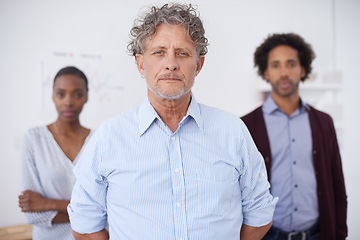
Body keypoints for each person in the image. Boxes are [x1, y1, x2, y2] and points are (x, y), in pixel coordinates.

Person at [67, 3, 277, 240]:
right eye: (159, 52)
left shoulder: (233, 132)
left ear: (198, 65)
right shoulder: (108, 138)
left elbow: (259, 213)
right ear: (140, 63)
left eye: (183, 53)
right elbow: (84, 225)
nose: (171, 64)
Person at [241, 33, 347, 240]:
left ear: (303, 69)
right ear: (265, 72)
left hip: (318, 234)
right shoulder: (246, 126)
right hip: (268, 236)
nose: (284, 73)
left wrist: (340, 234)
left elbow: (337, 186)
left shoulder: (324, 123)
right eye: (276, 65)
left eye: (291, 64)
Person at [18, 66, 93, 240]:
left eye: (77, 94)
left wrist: (47, 203)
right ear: (52, 95)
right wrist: (89, 215)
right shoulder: (34, 139)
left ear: (86, 96)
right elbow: (32, 214)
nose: (68, 101)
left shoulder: (98, 140)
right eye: (61, 94)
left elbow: (107, 207)